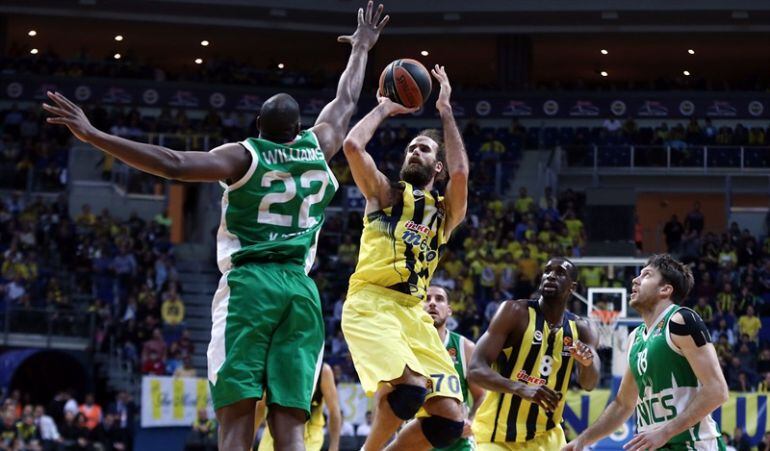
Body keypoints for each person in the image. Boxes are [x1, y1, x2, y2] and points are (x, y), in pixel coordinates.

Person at [43, 3, 389, 450]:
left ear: (258, 128)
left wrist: (94, 135)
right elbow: (344, 102)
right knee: (290, 426)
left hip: (250, 287)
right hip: (301, 291)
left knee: (236, 418)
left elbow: (173, 163)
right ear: (300, 128)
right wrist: (361, 48)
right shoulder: (320, 145)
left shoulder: (244, 155)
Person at [341, 64, 470, 451]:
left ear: (438, 166)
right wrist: (383, 107)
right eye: (410, 147)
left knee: (450, 421)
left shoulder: (445, 213)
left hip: (413, 312)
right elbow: (351, 146)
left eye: (424, 148)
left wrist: (445, 109)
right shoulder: (385, 193)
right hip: (372, 303)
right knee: (410, 391)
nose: (414, 151)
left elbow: (462, 172)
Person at [564, 254, 728, 450]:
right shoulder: (635, 337)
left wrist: (664, 433)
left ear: (665, 290)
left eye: (646, 275)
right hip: (655, 445)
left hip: (692, 444)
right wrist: (583, 440)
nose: (635, 279)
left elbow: (717, 390)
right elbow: (623, 404)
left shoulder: (681, 320)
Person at [468, 257, 600, 450]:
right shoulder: (514, 312)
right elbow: (475, 370)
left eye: (560, 273)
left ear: (572, 287)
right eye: (547, 271)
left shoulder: (583, 328)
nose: (551, 276)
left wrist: (587, 363)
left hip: (547, 436)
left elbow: (589, 384)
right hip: (498, 436)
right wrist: (520, 388)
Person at [423, 285, 486, 451]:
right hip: (418, 438)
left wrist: (471, 421)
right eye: (427, 299)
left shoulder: (464, 347)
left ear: (449, 310)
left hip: (457, 442)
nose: (432, 303)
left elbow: (481, 395)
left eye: (439, 299)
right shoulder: (405, 345)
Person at [255, 363, 341, 451]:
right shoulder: (277, 364)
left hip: (310, 432)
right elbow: (260, 406)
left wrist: (334, 446)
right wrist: (250, 438)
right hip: (274, 429)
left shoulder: (323, 371)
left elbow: (334, 410)